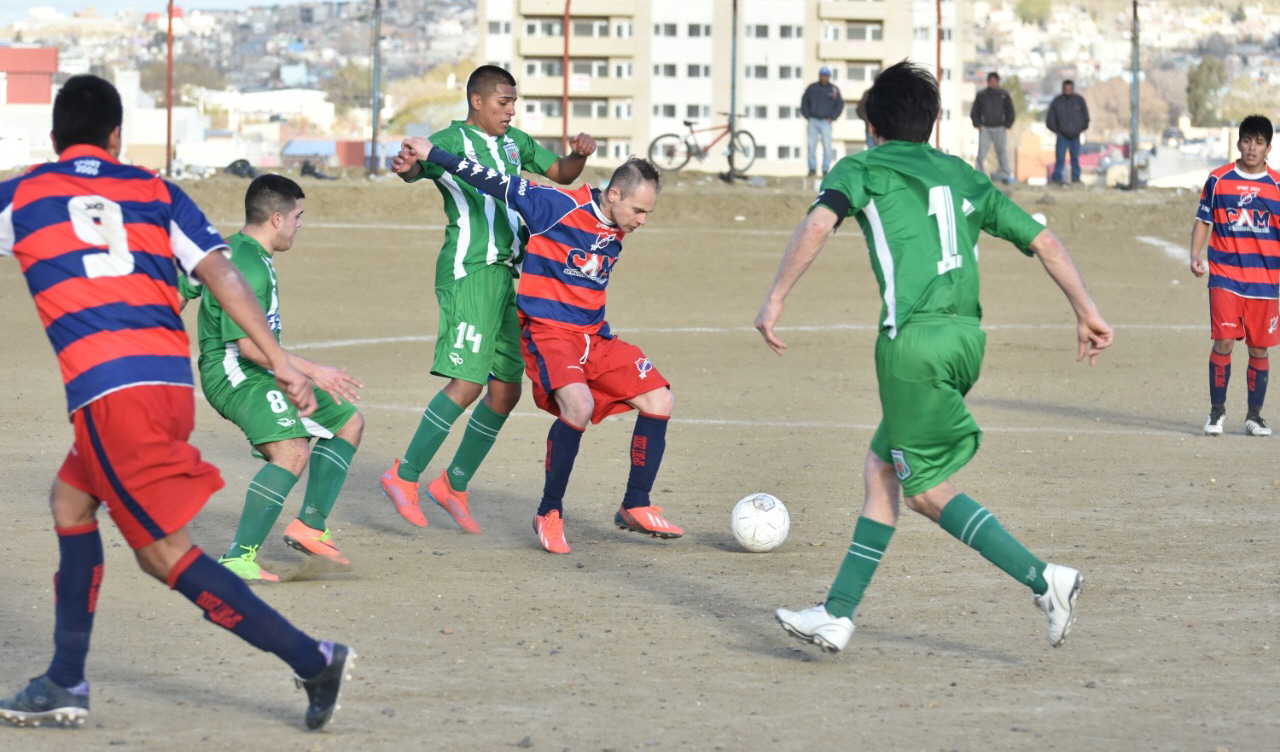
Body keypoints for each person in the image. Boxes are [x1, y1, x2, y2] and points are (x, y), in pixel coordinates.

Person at [0, 75, 352, 730]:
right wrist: (281, 363)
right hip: (167, 384)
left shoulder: (26, 192)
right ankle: (65, 679)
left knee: (164, 554)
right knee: (70, 501)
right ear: (116, 138)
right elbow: (220, 274)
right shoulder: (157, 192)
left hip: (112, 393)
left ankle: (313, 659)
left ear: (53, 140)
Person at [754, 61, 1113, 653]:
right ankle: (837, 614)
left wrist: (774, 299)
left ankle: (1045, 579)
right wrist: (1087, 309)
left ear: (870, 123)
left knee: (922, 490)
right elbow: (1044, 240)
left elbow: (819, 223)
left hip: (911, 344)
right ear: (936, 121)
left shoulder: (862, 167)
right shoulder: (963, 174)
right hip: (966, 341)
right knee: (881, 469)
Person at [399, 138, 681, 555]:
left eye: (648, 213)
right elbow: (491, 180)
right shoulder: (554, 205)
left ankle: (635, 504)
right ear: (614, 193)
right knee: (578, 407)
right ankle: (549, 511)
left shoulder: (617, 223)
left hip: (595, 335)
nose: (642, 221)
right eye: (638, 210)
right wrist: (431, 155)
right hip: (549, 333)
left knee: (660, 400)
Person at [381, 65, 597, 534]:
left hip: (506, 275)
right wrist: (408, 167)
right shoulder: (452, 141)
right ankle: (403, 475)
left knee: (505, 389)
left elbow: (560, 172)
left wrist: (577, 156)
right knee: (467, 383)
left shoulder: (514, 142)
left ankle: (452, 485)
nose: (511, 110)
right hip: (469, 271)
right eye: (503, 102)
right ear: (477, 101)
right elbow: (418, 166)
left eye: (514, 102)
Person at [178, 174, 365, 581]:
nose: (301, 224)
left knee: (348, 422)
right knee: (292, 451)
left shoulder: (239, 251)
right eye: (298, 216)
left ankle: (311, 525)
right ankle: (238, 556)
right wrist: (314, 370)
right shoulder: (247, 264)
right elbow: (247, 346)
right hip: (234, 373)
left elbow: (184, 284)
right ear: (277, 218)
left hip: (260, 368)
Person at [1189, 115, 1280, 437]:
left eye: (1258, 143)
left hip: (1266, 283)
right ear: (1238, 143)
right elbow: (1203, 221)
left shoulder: (1278, 186)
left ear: (1268, 147)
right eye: (1246, 141)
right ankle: (1217, 413)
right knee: (1224, 340)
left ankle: (1255, 417)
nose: (1251, 148)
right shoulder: (1218, 180)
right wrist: (1195, 255)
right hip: (1226, 277)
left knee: (1259, 349)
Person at [969, 71, 1015, 183]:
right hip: (985, 128)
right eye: (990, 81)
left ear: (998, 82)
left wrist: (1007, 125)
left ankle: (1004, 174)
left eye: (994, 81)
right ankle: (978, 175)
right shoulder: (981, 95)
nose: (992, 83)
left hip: (1000, 128)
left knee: (1002, 152)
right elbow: (974, 111)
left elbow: (1011, 111)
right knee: (981, 153)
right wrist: (978, 124)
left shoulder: (1004, 95)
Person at [801, 66, 845, 177]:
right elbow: (804, 102)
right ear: (819, 76)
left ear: (829, 77)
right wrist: (807, 115)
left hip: (826, 121)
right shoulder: (812, 88)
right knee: (811, 145)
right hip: (813, 120)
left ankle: (825, 169)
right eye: (822, 75)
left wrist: (833, 117)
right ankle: (812, 169)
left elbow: (840, 104)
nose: (824, 77)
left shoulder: (833, 89)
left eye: (826, 76)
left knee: (827, 146)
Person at [1046, 80, 1090, 184]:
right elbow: (1050, 119)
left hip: (1075, 135)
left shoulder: (1079, 100)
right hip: (1062, 135)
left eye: (1070, 89)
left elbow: (1086, 117)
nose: (1068, 91)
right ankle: (1057, 178)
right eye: (1066, 89)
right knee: (1060, 158)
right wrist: (1056, 130)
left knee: (1075, 157)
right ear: (1063, 89)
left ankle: (1076, 178)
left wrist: (1080, 129)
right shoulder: (1057, 101)